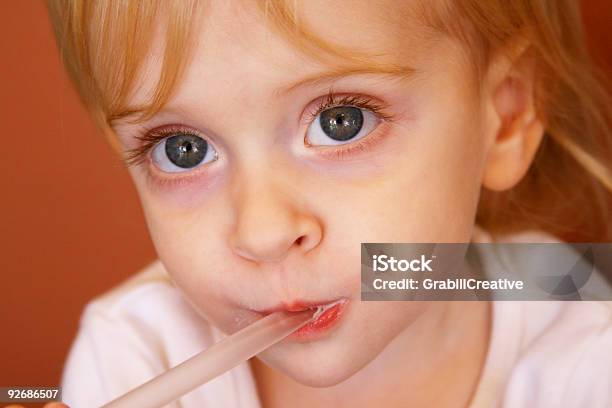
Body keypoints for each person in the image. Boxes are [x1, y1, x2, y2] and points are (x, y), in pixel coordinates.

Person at [43, 0, 612, 407]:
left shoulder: (585, 346)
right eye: (183, 149)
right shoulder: (133, 355)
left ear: (505, 117)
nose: (262, 233)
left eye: (342, 122)